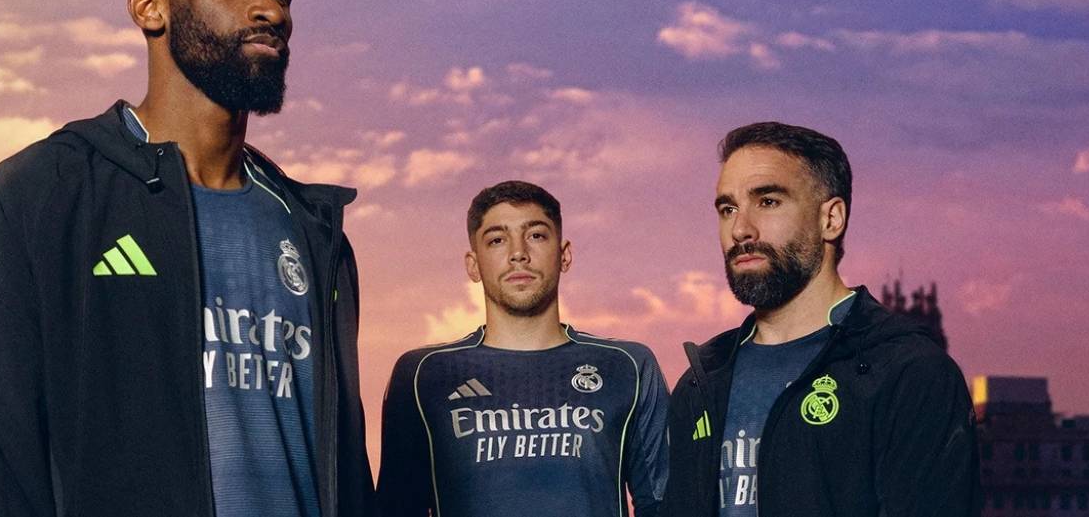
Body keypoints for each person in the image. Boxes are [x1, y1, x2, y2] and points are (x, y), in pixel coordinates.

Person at [0, 0, 373, 516]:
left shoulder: (314, 230)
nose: (272, 9)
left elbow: (347, 468)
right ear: (150, 9)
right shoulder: (43, 194)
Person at [661, 123, 980, 517]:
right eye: (728, 209)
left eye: (768, 202)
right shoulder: (701, 384)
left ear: (831, 219)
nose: (740, 229)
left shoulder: (910, 373)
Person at [377, 181, 668, 517]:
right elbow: (397, 508)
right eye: (497, 240)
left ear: (564, 255)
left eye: (536, 235)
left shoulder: (627, 366)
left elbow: (663, 504)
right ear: (473, 265)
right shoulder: (424, 374)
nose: (518, 253)